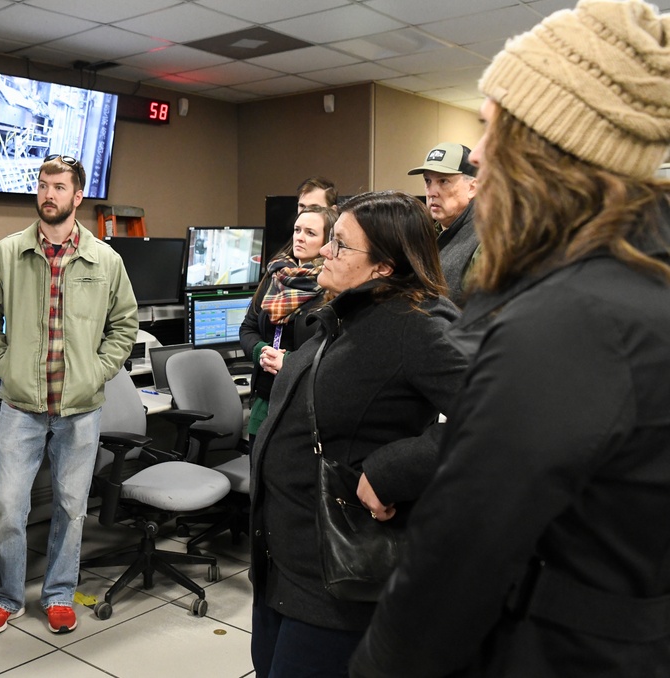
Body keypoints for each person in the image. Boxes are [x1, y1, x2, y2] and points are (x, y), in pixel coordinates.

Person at [350, 2, 670, 676]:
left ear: (550, 149)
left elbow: (460, 552)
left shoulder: (570, 323)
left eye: (495, 130)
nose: (483, 155)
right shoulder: (641, 286)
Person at [249, 191, 469, 677]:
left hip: (335, 577)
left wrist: (397, 469)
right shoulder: (346, 313)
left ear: (385, 267)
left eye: (341, 245)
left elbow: (498, 420)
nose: (325, 250)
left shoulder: (419, 326)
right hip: (283, 558)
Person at [0, 154, 138, 636]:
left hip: (80, 409)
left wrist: (99, 372)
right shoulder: (7, 253)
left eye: (59, 186)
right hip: (21, 407)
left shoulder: (105, 259)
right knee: (9, 507)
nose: (48, 194)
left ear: (77, 196)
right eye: (43, 185)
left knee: (71, 507)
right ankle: (7, 597)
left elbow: (125, 324)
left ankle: (60, 593)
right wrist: (6, 367)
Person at [239, 204, 331, 447]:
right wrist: (261, 352)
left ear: (329, 240)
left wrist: (288, 362)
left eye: (310, 233)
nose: (300, 237)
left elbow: (331, 351)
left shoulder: (332, 288)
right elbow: (248, 328)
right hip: (265, 395)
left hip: (304, 403)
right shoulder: (276, 275)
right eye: (297, 230)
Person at [407, 142, 479, 303]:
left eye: (443, 181)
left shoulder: (486, 240)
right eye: (428, 181)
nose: (431, 192)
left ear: (472, 188)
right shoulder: (427, 234)